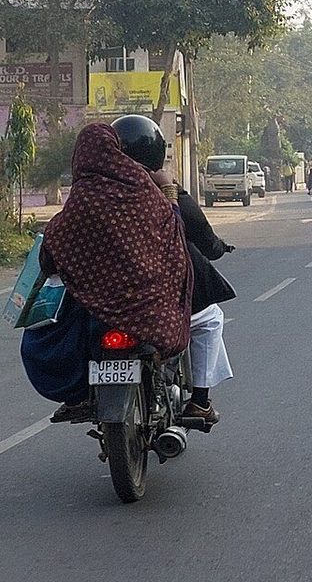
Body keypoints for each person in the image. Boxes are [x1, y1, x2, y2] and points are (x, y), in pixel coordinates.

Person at [21, 118, 190, 424]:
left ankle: (77, 397)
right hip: (146, 308)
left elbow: (50, 254)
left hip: (97, 307)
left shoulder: (81, 198)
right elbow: (174, 233)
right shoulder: (144, 191)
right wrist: (169, 190)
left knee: (48, 333)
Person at [149, 164, 236, 426]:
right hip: (157, 302)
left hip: (103, 304)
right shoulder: (161, 197)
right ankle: (200, 400)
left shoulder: (91, 195)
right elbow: (187, 234)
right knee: (209, 320)